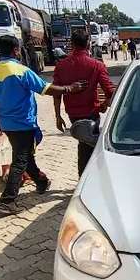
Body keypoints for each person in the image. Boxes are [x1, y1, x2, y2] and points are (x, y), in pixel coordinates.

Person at [0, 34, 86, 215]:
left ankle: (41, 182)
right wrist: (70, 89)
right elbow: (45, 88)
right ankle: (8, 200)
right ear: (16, 50)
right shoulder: (21, 71)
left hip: (7, 123)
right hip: (23, 122)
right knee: (20, 159)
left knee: (25, 154)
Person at [53, 30, 115, 176]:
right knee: (89, 145)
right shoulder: (96, 65)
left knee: (84, 144)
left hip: (73, 114)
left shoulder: (61, 66)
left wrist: (57, 116)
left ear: (71, 44)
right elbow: (110, 92)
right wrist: (104, 105)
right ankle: (89, 178)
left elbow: (56, 94)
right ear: (88, 44)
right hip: (92, 113)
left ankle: (85, 177)